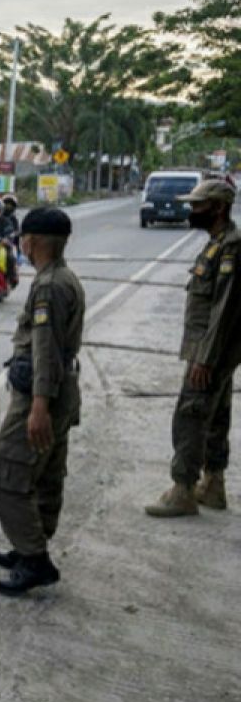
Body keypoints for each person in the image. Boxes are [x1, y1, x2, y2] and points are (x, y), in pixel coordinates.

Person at [0, 207, 84, 596]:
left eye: (23, 239)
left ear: (33, 241)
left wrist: (38, 407)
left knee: (7, 476)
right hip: (60, 390)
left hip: (41, 396)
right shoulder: (62, 277)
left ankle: (34, 559)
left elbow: (44, 349)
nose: (20, 245)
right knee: (44, 475)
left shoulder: (48, 287)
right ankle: (31, 545)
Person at [145, 179, 241, 517]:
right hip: (215, 352)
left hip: (211, 352)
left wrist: (204, 357)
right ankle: (213, 485)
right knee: (216, 416)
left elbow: (224, 309)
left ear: (218, 208)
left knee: (191, 415)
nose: (191, 210)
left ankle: (183, 490)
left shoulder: (231, 246)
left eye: (198, 205)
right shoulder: (218, 243)